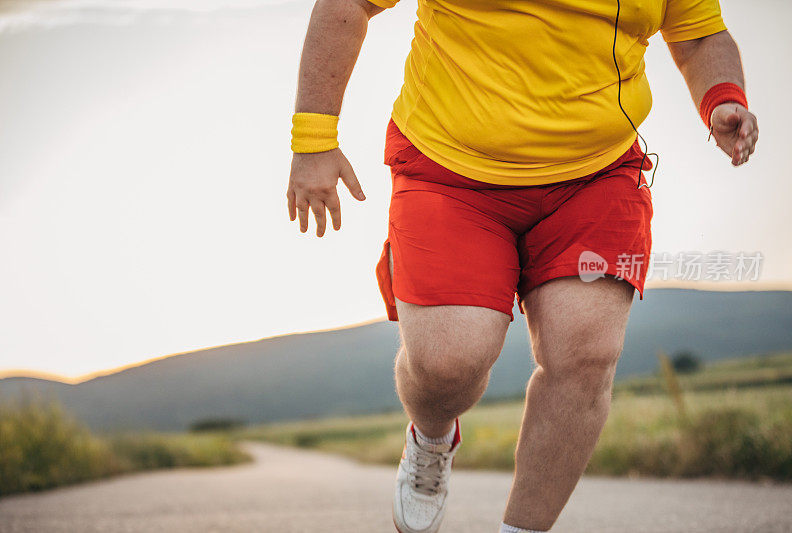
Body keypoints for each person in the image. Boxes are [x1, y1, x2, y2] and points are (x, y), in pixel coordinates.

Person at [286, 0, 759, 531]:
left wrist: (722, 97)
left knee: (587, 353)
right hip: (450, 166)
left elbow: (699, 35)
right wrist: (313, 141)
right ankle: (431, 435)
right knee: (449, 363)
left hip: (593, 174)